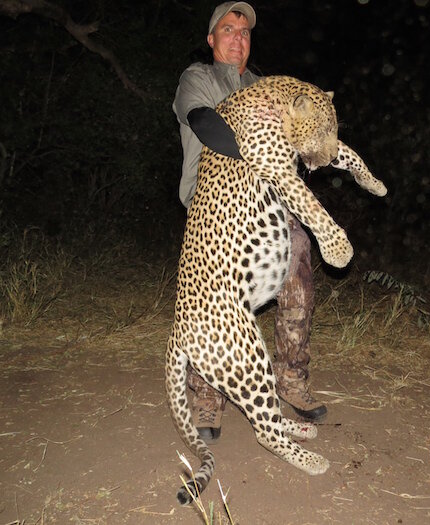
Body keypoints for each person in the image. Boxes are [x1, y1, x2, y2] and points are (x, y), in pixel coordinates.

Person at [172, 1, 327, 443]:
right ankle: (207, 400)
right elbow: (205, 124)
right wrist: (260, 151)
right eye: (228, 29)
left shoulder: (266, 86)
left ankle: (291, 380)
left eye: (244, 31)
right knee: (215, 304)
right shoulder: (196, 79)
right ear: (211, 39)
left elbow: (298, 139)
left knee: (298, 270)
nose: (238, 37)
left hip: (269, 208)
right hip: (215, 211)